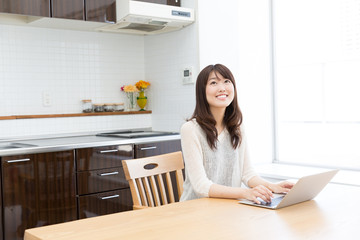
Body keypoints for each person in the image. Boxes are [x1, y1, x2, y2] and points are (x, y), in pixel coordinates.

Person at [180, 64, 294, 204]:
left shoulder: (237, 127)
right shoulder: (190, 129)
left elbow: (247, 173)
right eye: (214, 83)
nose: (222, 88)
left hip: (229, 208)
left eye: (227, 81)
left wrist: (272, 186)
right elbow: (201, 186)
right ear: (201, 91)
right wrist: (245, 193)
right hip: (196, 210)